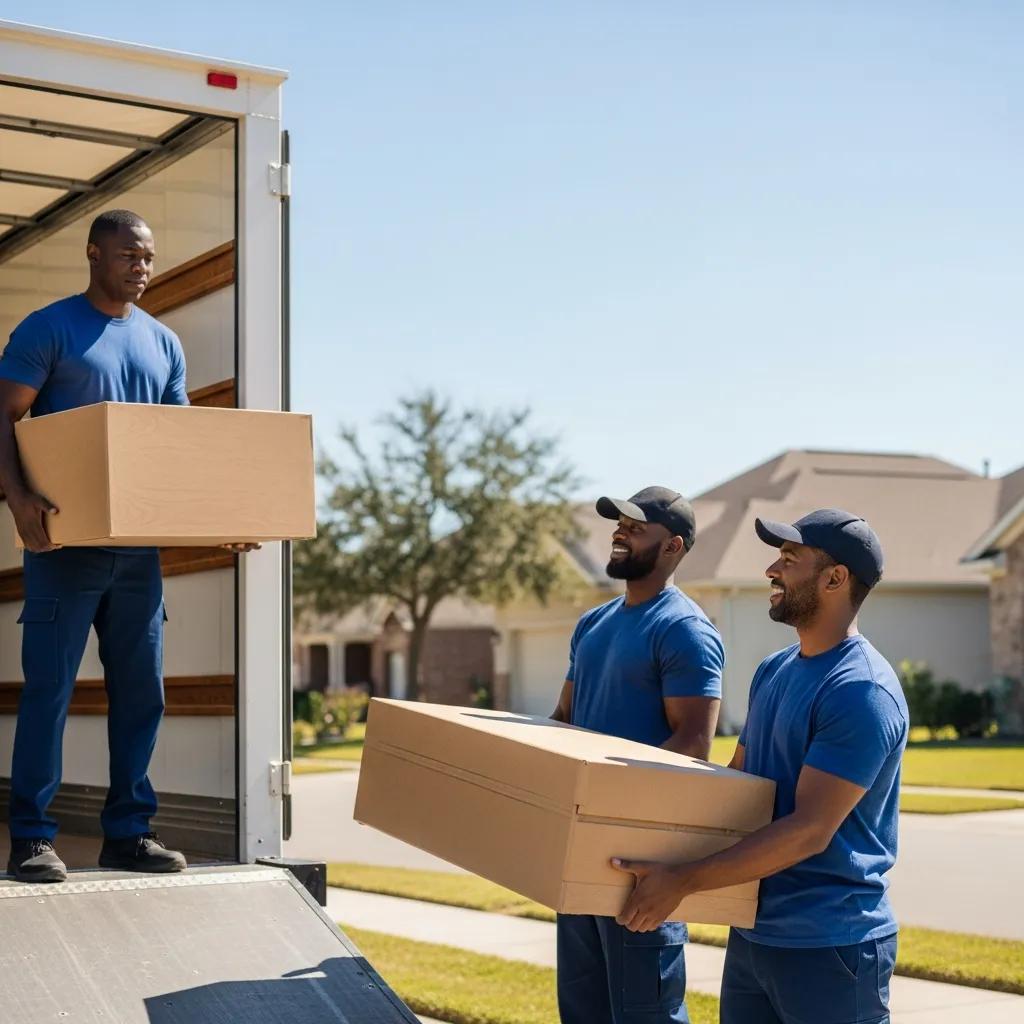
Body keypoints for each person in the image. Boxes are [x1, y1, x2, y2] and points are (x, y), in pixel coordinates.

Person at [0, 209, 256, 883]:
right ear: (94, 253)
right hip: (63, 547)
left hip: (137, 554)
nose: (141, 266)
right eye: (128, 255)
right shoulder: (50, 328)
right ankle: (29, 836)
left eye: (147, 257)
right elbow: (4, 414)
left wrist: (217, 519)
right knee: (50, 692)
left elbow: (175, 449)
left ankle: (129, 833)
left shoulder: (163, 343)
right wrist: (20, 499)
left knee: (143, 695)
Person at [611, 509, 908, 1024]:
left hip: (830, 945)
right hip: (754, 933)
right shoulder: (775, 671)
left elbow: (808, 831)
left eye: (789, 560)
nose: (772, 570)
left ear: (835, 579)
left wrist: (682, 879)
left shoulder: (860, 690)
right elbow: (737, 790)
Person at [551, 486, 724, 1024]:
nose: (619, 532)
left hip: (639, 861)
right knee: (583, 1011)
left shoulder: (684, 630)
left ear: (672, 546)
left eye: (635, 526)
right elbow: (562, 723)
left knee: (645, 1015)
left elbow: (693, 744)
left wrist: (607, 805)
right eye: (618, 523)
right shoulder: (593, 624)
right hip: (581, 848)